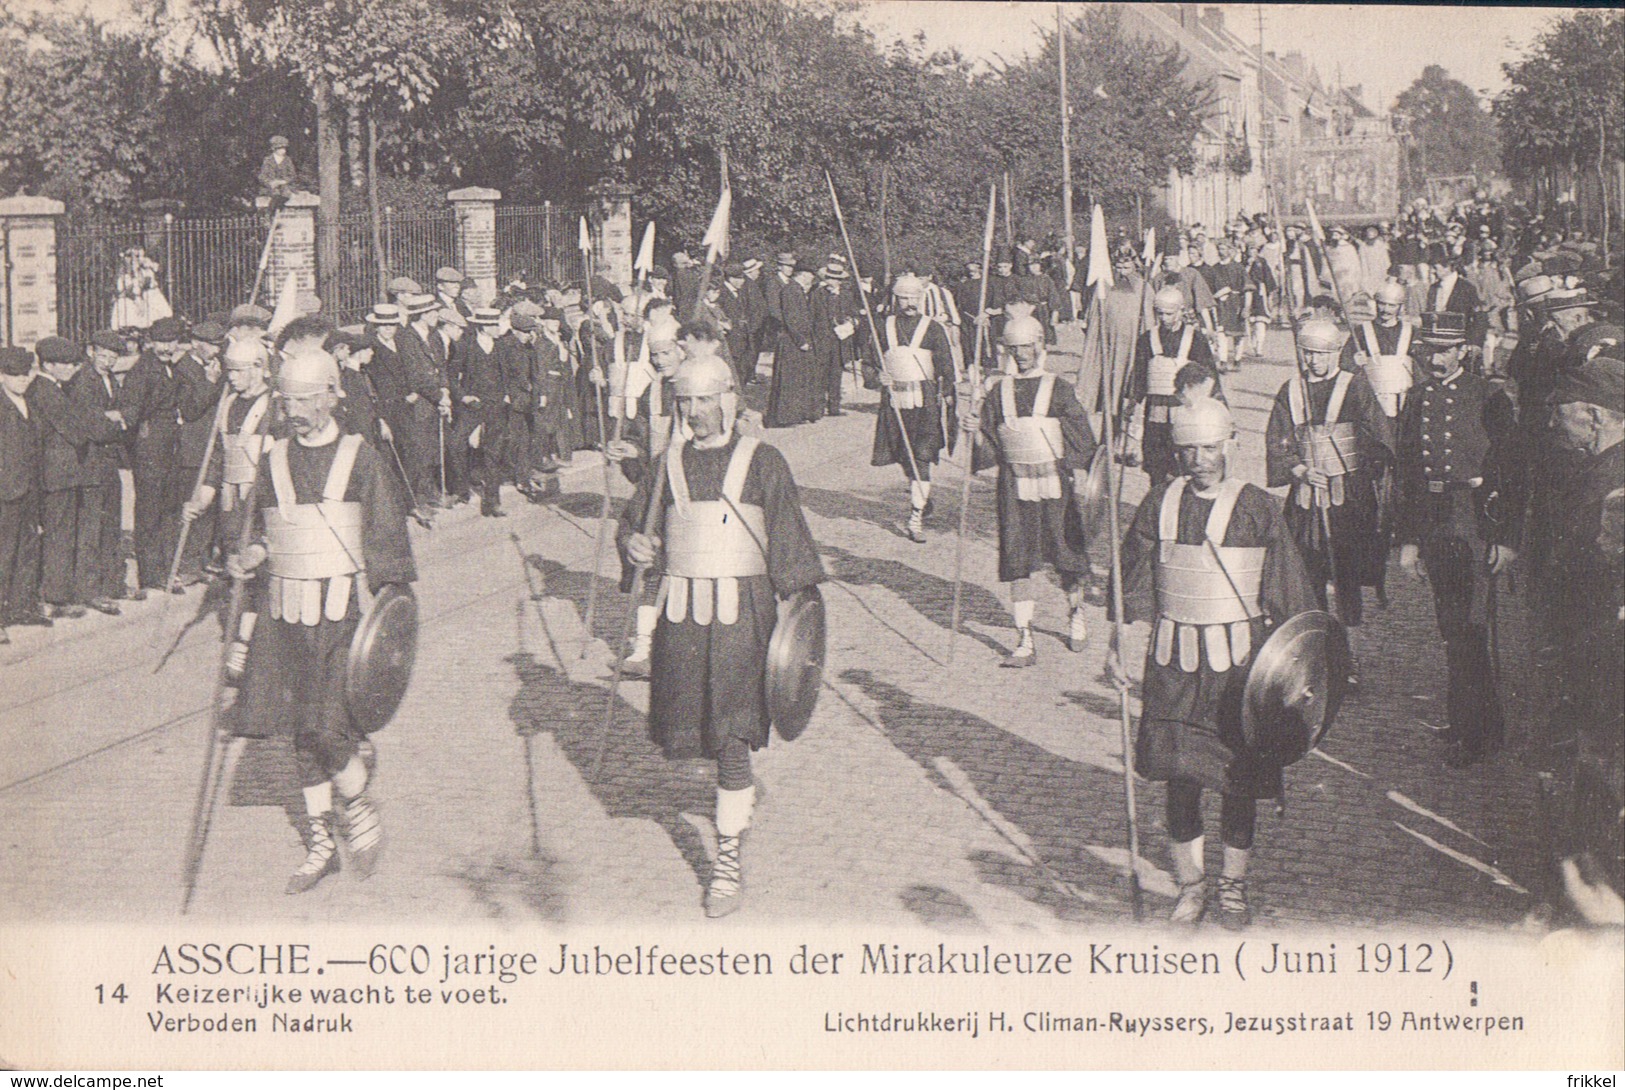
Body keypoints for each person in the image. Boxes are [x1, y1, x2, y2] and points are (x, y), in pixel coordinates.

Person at [617, 347, 823, 917]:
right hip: (682, 617)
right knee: (698, 737)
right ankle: (734, 804)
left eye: (706, 398)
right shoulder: (667, 465)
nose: (695, 411)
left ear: (729, 400)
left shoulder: (764, 462)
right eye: (685, 400)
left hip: (742, 618)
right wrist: (633, 545)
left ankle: (726, 860)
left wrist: (797, 628)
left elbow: (790, 547)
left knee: (733, 736)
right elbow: (640, 528)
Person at [1110, 396, 1318, 927]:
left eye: (1209, 446)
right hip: (1173, 664)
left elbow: (1289, 595)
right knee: (1181, 778)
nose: (1199, 458)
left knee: (1237, 780)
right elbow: (1132, 580)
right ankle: (1191, 885)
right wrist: (1116, 643)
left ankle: (1233, 885)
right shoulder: (1158, 502)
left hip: (1236, 668)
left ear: (1229, 443)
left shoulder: (1256, 507)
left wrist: (1296, 672)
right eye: (1188, 448)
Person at [227, 346, 417, 893]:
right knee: (299, 732)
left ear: (334, 395)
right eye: (288, 401)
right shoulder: (273, 459)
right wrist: (252, 555)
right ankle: (320, 843)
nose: (296, 411)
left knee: (326, 723)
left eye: (308, 399)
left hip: (343, 615)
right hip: (285, 613)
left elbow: (385, 537)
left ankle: (354, 798)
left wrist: (390, 618)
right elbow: (259, 530)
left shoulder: (361, 457)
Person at [1395, 312, 1524, 769]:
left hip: (1473, 521)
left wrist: (1506, 538)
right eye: (1428, 348)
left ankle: (1483, 732)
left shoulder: (1488, 396)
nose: (1435, 357)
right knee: (1451, 629)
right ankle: (1463, 720)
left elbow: (1513, 471)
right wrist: (1408, 539)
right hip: (1434, 521)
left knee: (1473, 629)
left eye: (1445, 349)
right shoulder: (1416, 397)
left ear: (1464, 351)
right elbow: (1406, 471)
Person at [960, 315, 1097, 666]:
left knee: (1066, 553)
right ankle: (1024, 637)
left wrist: (1078, 471)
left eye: (1026, 346)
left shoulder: (1059, 388)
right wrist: (974, 429)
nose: (1021, 353)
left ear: (1040, 345)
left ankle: (1076, 612)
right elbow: (989, 447)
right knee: (1016, 557)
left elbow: (1083, 441)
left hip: (1055, 484)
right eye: (1013, 347)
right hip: (1014, 485)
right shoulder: (998, 391)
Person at [1265, 319, 1394, 680]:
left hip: (1347, 498)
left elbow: (1379, 436)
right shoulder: (1291, 390)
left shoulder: (1355, 387)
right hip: (1306, 497)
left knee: (1346, 573)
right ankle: (1317, 651)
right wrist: (1301, 469)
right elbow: (1277, 441)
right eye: (1308, 353)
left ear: (1336, 352)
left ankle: (1349, 654)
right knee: (1308, 572)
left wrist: (1353, 467)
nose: (1314, 360)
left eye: (1322, 353)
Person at [1543, 355, 1624, 893]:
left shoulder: (1615, 482)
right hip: (1588, 642)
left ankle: (1591, 886)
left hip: (1605, 650)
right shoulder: (1597, 468)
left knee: (1598, 764)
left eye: (1565, 415)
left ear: (1594, 417)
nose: (1555, 424)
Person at [30, 337, 123, 620]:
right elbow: (78, 432)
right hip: (58, 476)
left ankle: (65, 593)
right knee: (59, 536)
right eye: (67, 364)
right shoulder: (46, 391)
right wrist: (108, 422)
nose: (73, 368)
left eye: (74, 363)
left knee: (68, 535)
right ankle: (56, 598)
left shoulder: (56, 388)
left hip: (66, 475)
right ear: (49, 365)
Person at [871, 273, 957, 543]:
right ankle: (922, 494)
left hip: (925, 401)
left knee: (921, 455)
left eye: (913, 297)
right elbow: (869, 361)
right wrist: (877, 377)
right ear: (895, 298)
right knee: (902, 454)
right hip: (894, 401)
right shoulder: (882, 327)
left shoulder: (933, 328)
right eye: (903, 297)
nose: (909, 302)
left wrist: (947, 394)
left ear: (921, 298)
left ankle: (916, 514)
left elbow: (946, 367)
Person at [1120, 286, 1216, 485]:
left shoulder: (1195, 339)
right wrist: (1132, 402)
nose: (1164, 318)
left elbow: (1209, 376)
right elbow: (1139, 374)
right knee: (1156, 464)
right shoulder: (1147, 339)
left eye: (1169, 313)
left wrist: (1212, 407)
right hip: (1156, 412)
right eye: (1160, 313)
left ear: (1181, 311)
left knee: (1184, 462)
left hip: (1184, 410)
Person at [0, 347, 45, 637]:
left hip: (29, 488)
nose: (21, 379)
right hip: (6, 491)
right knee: (3, 552)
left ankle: (22, 606)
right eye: (14, 375)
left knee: (28, 547)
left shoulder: (30, 401)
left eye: (26, 373)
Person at [1341, 281, 1417, 418]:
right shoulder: (1361, 332)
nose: (1385, 310)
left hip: (1405, 400)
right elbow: (1344, 363)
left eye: (1392, 305)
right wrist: (1355, 363)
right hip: (1371, 401)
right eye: (1382, 303)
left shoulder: (1411, 331)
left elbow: (1422, 366)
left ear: (1400, 307)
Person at [765, 262, 821, 428]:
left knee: (798, 379)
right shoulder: (791, 291)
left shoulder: (796, 290)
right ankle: (786, 417)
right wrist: (801, 340)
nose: (811, 279)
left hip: (796, 340)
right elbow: (791, 319)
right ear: (803, 275)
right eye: (810, 275)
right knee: (790, 380)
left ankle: (796, 414)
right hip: (792, 341)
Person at [257, 135, 300, 203]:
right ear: (274, 149)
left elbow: (293, 175)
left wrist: (283, 181)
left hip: (286, 186)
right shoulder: (268, 160)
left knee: (285, 194)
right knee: (274, 194)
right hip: (271, 187)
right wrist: (270, 182)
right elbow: (262, 176)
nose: (283, 151)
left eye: (284, 148)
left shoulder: (287, 160)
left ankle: (274, 210)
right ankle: (272, 211)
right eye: (280, 148)